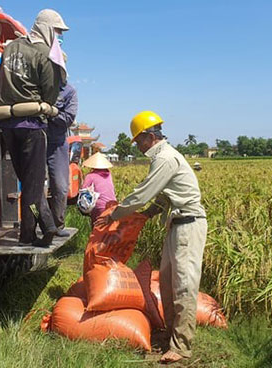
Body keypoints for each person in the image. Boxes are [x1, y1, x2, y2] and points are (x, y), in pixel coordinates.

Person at [95, 111, 207, 364]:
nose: (139, 146)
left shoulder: (165, 158)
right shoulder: (164, 157)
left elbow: (142, 194)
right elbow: (164, 196)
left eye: (139, 141)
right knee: (167, 282)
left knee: (183, 285)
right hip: (176, 224)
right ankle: (171, 335)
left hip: (189, 225)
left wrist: (115, 216)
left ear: (149, 136)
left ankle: (181, 346)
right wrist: (148, 214)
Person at [0, 9, 69, 246]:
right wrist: (47, 106)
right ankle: (31, 234)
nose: (58, 36)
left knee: (29, 183)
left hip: (8, 126)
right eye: (57, 31)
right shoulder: (44, 54)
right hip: (32, 125)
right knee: (33, 184)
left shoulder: (10, 49)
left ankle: (44, 226)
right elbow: (49, 93)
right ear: (47, 28)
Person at [46, 82, 78, 236]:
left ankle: (57, 226)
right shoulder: (38, 84)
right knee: (34, 187)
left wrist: (51, 112)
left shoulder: (69, 91)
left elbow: (68, 118)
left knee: (61, 186)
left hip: (56, 144)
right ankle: (33, 226)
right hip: (35, 139)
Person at [80, 152, 116, 226]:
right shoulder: (109, 174)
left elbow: (83, 191)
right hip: (113, 205)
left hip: (100, 207)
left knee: (96, 230)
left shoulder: (90, 176)